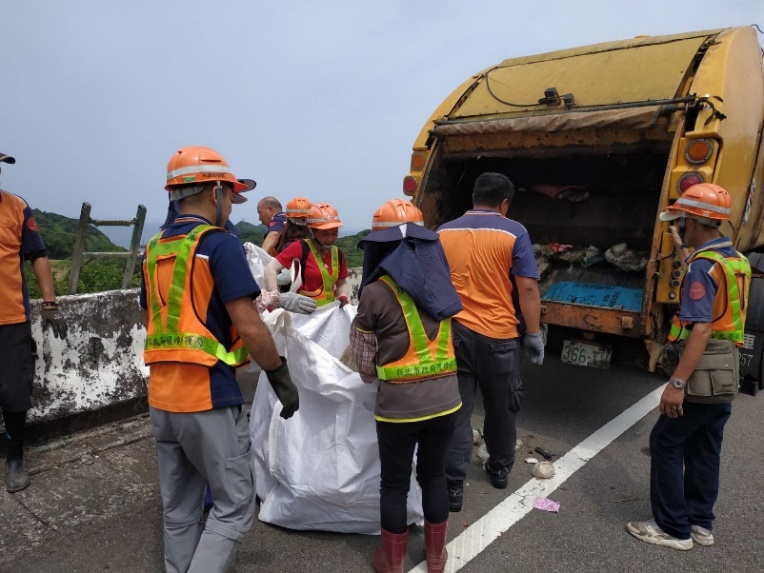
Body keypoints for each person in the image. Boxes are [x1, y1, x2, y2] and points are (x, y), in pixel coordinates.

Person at [141, 145, 300, 573]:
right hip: (207, 396)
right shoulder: (219, 245)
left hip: (161, 397)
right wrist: (279, 374)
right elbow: (249, 326)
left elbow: (152, 317)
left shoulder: (155, 248)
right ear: (214, 192)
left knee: (179, 508)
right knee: (232, 508)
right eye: (230, 194)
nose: (230, 203)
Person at [626, 183, 751, 551]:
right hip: (724, 368)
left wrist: (677, 383)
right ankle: (700, 523)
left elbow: (701, 326)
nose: (681, 224)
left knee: (664, 442)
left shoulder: (703, 267)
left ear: (695, 219)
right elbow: (711, 291)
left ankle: (673, 529)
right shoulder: (734, 261)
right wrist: (682, 248)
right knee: (705, 447)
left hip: (700, 367)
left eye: (683, 219)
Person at [351, 199, 463, 573]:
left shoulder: (374, 293)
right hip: (447, 402)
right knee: (434, 475)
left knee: (395, 484)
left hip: (399, 409)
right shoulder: (445, 281)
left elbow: (364, 364)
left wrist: (378, 371)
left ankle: (392, 562)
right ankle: (435, 559)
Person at [437, 172, 544, 512]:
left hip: (454, 335)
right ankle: (499, 469)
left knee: (456, 412)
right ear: (504, 203)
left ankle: (453, 487)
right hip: (499, 338)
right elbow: (527, 288)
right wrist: (532, 333)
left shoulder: (442, 232)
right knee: (501, 409)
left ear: (473, 197)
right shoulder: (514, 231)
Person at [0, 151, 68, 493]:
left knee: (15, 392)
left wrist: (50, 303)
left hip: (10, 317)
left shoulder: (15, 207)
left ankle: (14, 458)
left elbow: (38, 256)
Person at [263, 202, 349, 309]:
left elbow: (341, 282)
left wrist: (343, 295)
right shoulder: (300, 247)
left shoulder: (338, 254)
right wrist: (275, 296)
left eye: (334, 234)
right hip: (303, 314)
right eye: (325, 234)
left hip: (328, 314)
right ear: (312, 231)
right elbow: (270, 268)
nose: (330, 239)